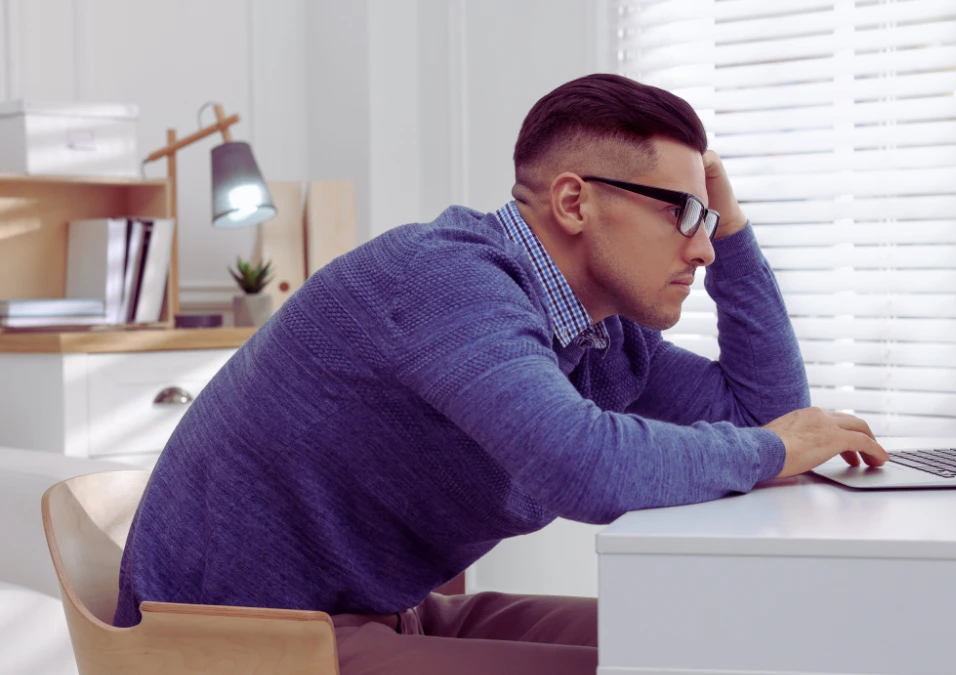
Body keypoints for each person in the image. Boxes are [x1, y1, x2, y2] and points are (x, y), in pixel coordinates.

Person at [113, 73, 888, 674]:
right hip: (244, 639)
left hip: (382, 612)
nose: (703, 248)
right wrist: (772, 449)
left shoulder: (600, 336)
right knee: (670, 663)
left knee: (713, 639)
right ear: (576, 201)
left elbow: (769, 416)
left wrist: (737, 227)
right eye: (683, 214)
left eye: (708, 219)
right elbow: (580, 464)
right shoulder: (445, 279)